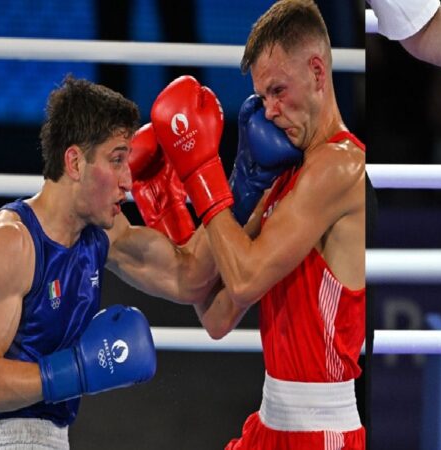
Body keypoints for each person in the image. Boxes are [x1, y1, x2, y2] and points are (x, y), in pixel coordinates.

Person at [147, 1, 366, 448]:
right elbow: (217, 315)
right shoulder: (286, 174)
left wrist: (200, 173)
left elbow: (244, 280)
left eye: (278, 90)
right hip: (270, 422)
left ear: (318, 73)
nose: (268, 111)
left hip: (319, 432)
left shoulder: (340, 167)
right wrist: (171, 209)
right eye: (262, 97)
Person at [0, 75, 218, 449]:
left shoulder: (102, 233)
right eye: (117, 160)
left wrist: (241, 185)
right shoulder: (11, 241)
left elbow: (189, 278)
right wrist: (75, 372)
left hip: (58, 438)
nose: (128, 180)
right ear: (74, 162)